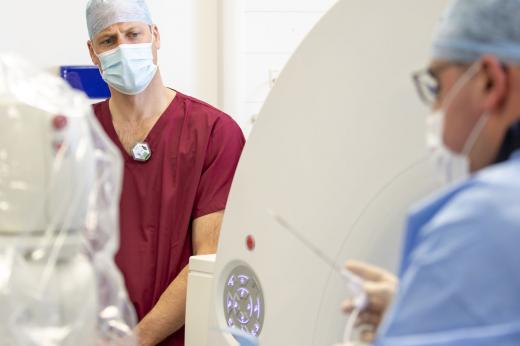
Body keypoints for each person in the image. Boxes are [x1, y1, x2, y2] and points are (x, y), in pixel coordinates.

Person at [342, 0, 520, 344]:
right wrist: (416, 308)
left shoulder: (485, 221)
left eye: (437, 88)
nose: (435, 110)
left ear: (489, 82)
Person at [85, 1, 245, 345]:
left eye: (133, 34)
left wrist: (135, 340)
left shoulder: (215, 132)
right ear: (92, 52)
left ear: (155, 36)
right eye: (108, 40)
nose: (124, 49)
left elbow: (208, 259)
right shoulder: (79, 135)